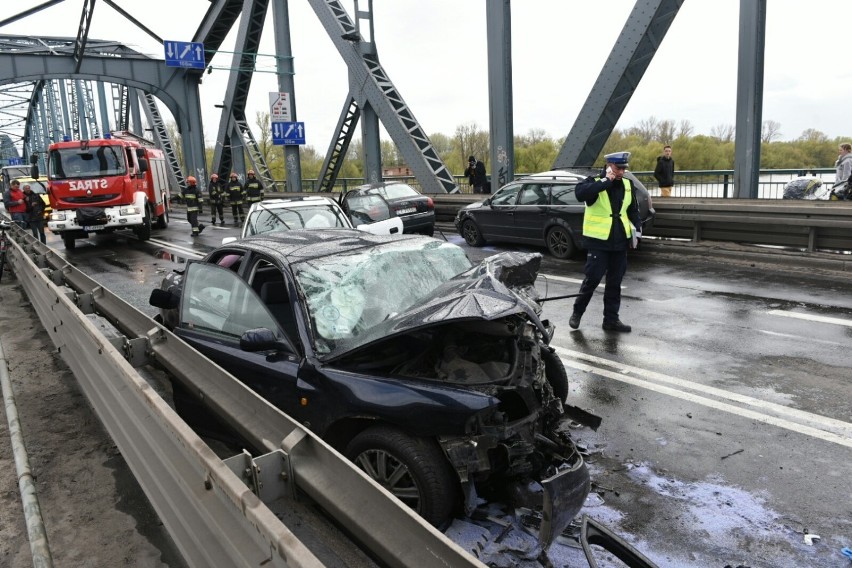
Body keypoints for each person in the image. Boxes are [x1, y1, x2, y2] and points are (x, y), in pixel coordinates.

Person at [569, 151, 642, 333]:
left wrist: (638, 232)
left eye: (624, 169)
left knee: (614, 283)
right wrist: (606, 181)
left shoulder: (627, 184)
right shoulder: (594, 183)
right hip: (598, 242)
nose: (622, 172)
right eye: (618, 168)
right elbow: (580, 194)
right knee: (592, 280)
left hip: (620, 242)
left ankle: (611, 320)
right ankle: (577, 313)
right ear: (609, 166)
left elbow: (633, 211)